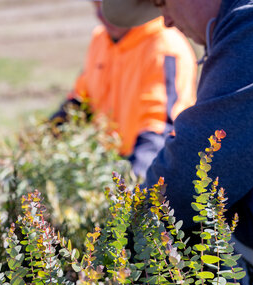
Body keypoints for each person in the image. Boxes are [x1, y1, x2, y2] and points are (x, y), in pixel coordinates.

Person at [101, 0, 253, 268]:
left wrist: (112, 245)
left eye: (161, 2)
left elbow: (192, 171)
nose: (165, 21)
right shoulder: (248, 25)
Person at [50, 0, 198, 178]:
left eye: (106, 7)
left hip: (148, 164)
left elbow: (160, 128)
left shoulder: (165, 47)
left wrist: (134, 186)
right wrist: (40, 139)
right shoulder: (101, 39)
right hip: (105, 163)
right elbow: (81, 101)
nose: (100, 15)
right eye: (96, 6)